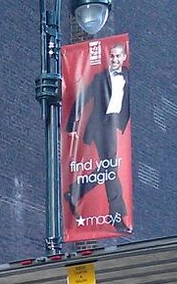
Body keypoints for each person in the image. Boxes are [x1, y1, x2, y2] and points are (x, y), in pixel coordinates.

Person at [66, 40, 131, 229]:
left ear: (124, 58)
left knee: (108, 168)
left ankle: (76, 192)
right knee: (111, 167)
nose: (115, 59)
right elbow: (82, 98)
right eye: (112, 56)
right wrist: (72, 124)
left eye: (118, 56)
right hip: (100, 126)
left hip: (113, 123)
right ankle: (116, 215)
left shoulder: (127, 76)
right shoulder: (100, 78)